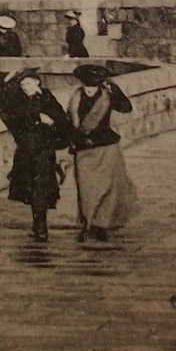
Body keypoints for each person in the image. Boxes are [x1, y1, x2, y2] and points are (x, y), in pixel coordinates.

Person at [0, 67, 71, 241]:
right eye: (22, 85)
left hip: (43, 151)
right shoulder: (19, 102)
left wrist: (50, 122)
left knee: (40, 188)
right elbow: (7, 109)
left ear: (37, 82)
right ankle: (38, 223)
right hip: (26, 152)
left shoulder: (47, 99)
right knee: (31, 188)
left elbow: (62, 122)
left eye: (28, 83)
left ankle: (41, 225)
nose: (25, 87)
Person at [67, 63, 138, 242]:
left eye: (93, 86)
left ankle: (101, 225)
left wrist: (115, 89)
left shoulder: (107, 96)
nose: (89, 90)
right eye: (86, 86)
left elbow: (126, 107)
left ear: (99, 85)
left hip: (106, 145)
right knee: (86, 188)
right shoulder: (75, 98)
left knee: (107, 187)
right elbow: (70, 123)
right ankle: (87, 222)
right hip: (84, 147)